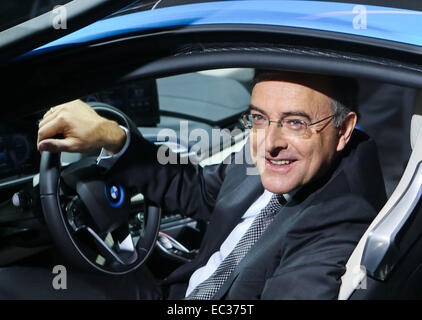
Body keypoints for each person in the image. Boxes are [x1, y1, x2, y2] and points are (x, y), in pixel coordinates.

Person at [35, 70, 387, 299]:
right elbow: (201, 191)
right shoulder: (279, 157)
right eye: (260, 118)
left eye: (295, 123)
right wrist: (111, 138)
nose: (269, 142)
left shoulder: (342, 218)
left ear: (343, 130)